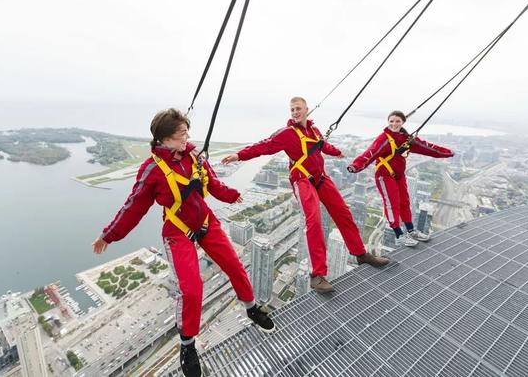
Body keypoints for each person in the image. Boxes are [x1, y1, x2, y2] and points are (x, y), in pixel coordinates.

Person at [92, 109, 275, 377]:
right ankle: (187, 345)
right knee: (191, 290)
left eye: (187, 133)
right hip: (177, 231)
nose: (186, 138)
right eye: (181, 134)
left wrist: (232, 195)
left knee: (235, 266)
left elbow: (212, 184)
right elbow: (133, 208)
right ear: (164, 139)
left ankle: (251, 308)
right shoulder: (152, 170)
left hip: (205, 222)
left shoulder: (195, 158)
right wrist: (109, 235)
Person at [222, 97, 389, 294]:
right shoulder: (286, 134)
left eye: (298, 109)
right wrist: (239, 155)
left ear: (307, 110)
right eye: (292, 109)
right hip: (302, 180)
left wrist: (337, 153)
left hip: (320, 177)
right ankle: (317, 275)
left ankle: (360, 253)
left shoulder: (314, 130)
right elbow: (264, 146)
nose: (295, 112)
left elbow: (322, 146)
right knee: (314, 220)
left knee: (343, 212)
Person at [348, 110, 454, 247]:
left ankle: (411, 230)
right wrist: (355, 166)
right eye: (391, 121)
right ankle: (399, 235)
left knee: (405, 202)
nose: (394, 124)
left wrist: (448, 153)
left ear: (403, 122)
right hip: (384, 175)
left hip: (399, 175)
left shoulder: (407, 139)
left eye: (397, 121)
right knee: (392, 204)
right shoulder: (384, 138)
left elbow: (427, 148)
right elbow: (370, 153)